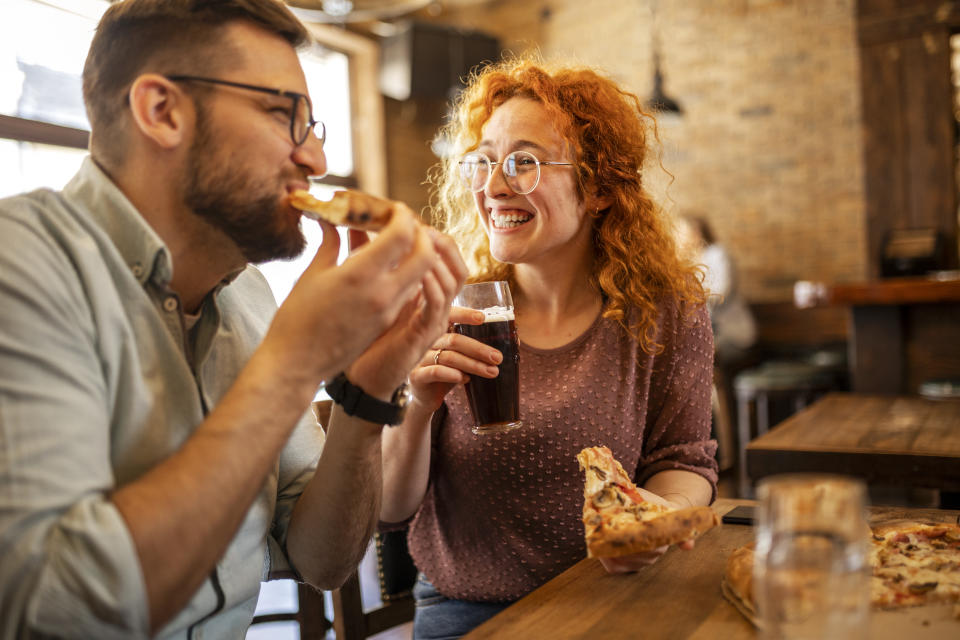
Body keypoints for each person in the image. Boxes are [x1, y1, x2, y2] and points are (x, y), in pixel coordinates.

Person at [0, 1, 467, 637]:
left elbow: (322, 560)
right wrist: (295, 362)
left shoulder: (248, 292)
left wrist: (367, 395)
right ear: (162, 111)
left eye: (314, 123)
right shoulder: (21, 264)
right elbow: (56, 613)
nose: (317, 160)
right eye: (285, 117)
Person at [381, 57, 719, 639]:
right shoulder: (444, 307)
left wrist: (652, 523)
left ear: (600, 189)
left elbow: (683, 461)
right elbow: (390, 508)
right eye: (484, 161)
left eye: (523, 162)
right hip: (470, 607)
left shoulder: (665, 312)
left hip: (616, 597)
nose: (492, 187)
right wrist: (415, 406)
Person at [676, 215, 757, 364]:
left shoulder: (717, 254)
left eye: (681, 232)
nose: (677, 238)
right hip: (709, 334)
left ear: (695, 232)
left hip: (732, 334)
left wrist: (686, 296)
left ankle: (716, 388)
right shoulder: (685, 263)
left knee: (698, 358)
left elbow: (720, 293)